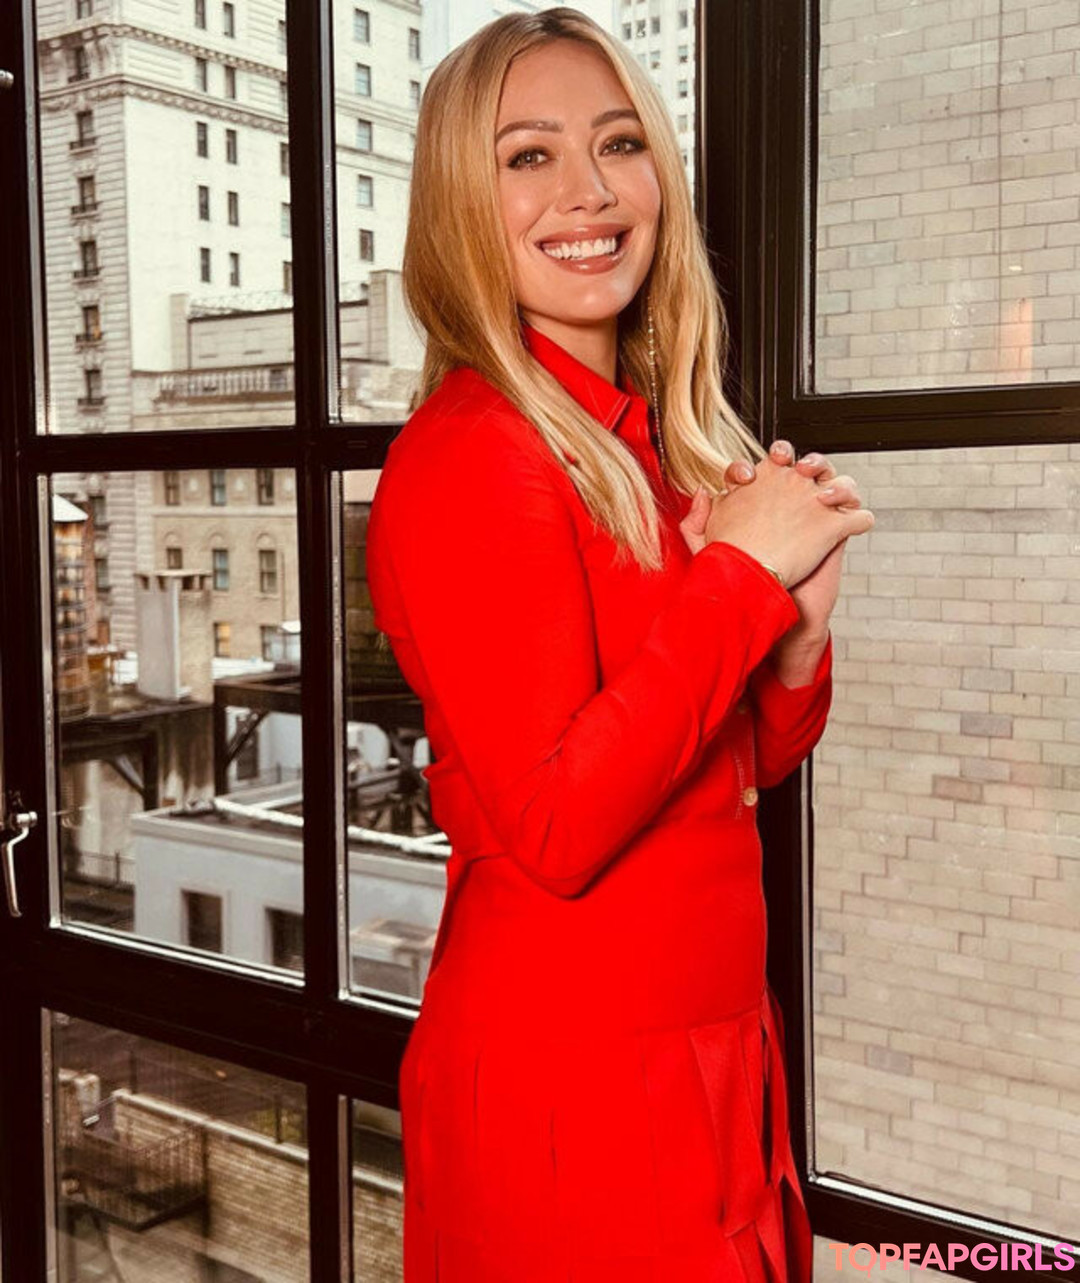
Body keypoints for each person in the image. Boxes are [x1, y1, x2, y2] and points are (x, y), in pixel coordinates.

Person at [365, 8, 875, 1280]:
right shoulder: (476, 453)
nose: (589, 191)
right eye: (528, 155)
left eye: (620, 142)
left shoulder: (640, 442)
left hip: (705, 1040)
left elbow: (722, 769)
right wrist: (737, 580)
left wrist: (796, 634)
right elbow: (557, 820)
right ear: (458, 203)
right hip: (576, 1072)